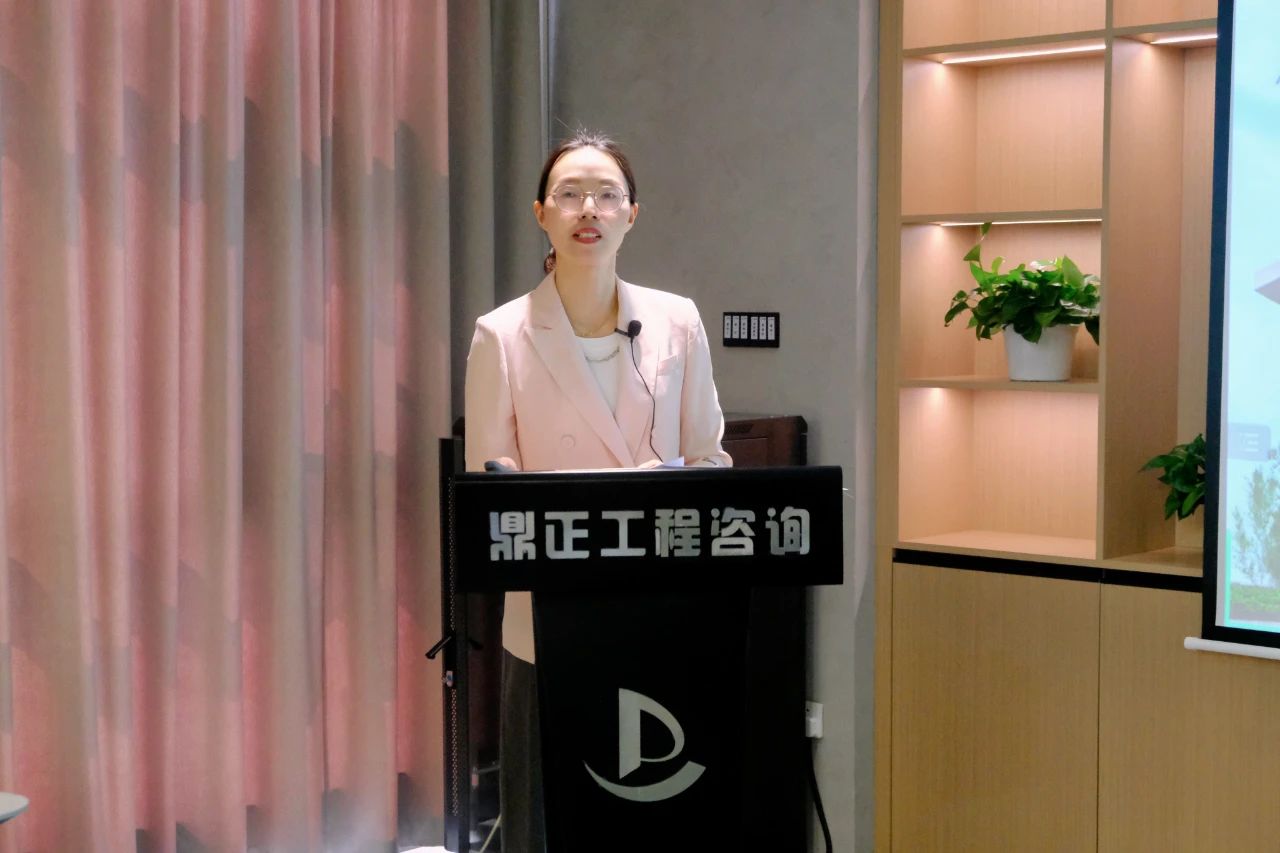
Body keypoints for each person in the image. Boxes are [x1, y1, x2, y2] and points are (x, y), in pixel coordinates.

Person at [463, 128, 732, 851]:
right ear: (540, 214)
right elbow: (493, 493)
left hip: (658, 602)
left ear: (631, 215)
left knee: (655, 811)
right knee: (547, 814)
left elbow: (710, 460)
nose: (590, 209)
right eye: (571, 194)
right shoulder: (501, 335)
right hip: (550, 615)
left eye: (607, 195)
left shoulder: (677, 321)